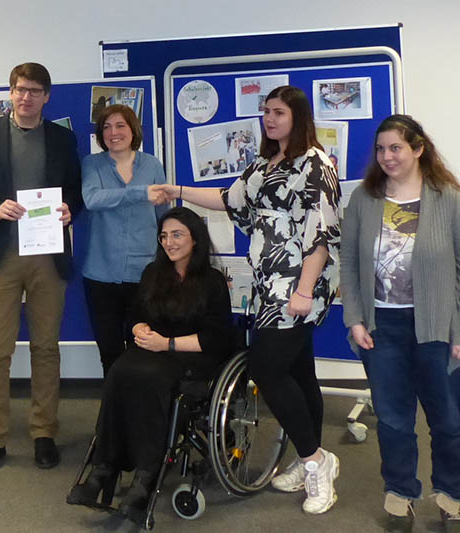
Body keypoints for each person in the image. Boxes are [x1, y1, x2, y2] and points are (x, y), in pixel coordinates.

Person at [160, 85, 341, 515]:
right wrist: (177, 192)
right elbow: (228, 199)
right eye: (266, 112)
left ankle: (318, 462)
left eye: (278, 112)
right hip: (267, 285)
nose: (270, 119)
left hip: (298, 288)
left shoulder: (314, 164)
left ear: (298, 116)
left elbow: (322, 234)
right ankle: (306, 453)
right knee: (298, 372)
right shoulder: (264, 162)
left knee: (267, 368)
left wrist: (301, 292)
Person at [67, 207, 234, 523]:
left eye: (177, 235)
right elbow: (135, 315)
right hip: (154, 350)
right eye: (164, 236)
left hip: (192, 354)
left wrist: (166, 344)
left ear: (195, 239)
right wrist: (138, 329)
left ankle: (145, 477)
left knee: (151, 378)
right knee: (119, 371)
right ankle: (104, 468)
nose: (169, 242)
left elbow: (217, 338)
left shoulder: (211, 281)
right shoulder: (153, 274)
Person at [0, 62, 82, 479]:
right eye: (18, 89)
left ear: (47, 96)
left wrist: (70, 209)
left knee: (46, 348)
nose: (24, 96)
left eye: (33, 90)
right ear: (10, 94)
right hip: (0, 257)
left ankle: (44, 432)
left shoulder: (64, 139)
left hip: (48, 258)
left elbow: (77, 194)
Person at [339, 114, 460, 531]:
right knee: (392, 419)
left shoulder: (448, 198)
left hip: (437, 327)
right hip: (381, 327)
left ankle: (450, 491)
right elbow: (350, 265)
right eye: (380, 149)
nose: (387, 156)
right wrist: (354, 318)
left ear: (418, 149)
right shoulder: (364, 199)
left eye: (396, 148)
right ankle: (400, 492)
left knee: (448, 419)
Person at [81, 104, 168, 376]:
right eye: (106, 127)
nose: (113, 132)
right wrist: (140, 193)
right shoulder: (91, 164)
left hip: (145, 273)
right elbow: (92, 199)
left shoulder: (152, 164)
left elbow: (162, 217)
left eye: (120, 125)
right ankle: (114, 411)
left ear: (133, 130)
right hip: (100, 274)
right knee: (109, 350)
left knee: (141, 347)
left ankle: (138, 411)